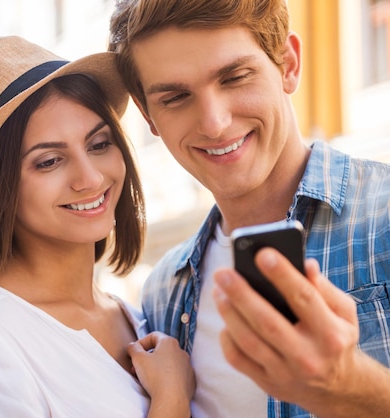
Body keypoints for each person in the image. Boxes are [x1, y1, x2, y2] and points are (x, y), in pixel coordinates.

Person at [108, 0, 390, 417]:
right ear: (149, 117)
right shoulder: (164, 290)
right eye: (175, 97)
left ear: (288, 65)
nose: (214, 123)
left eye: (235, 77)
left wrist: (349, 386)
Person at [0, 36, 195, 418]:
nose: (90, 177)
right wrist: (172, 401)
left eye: (99, 144)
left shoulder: (136, 317)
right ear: (1, 190)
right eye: (49, 161)